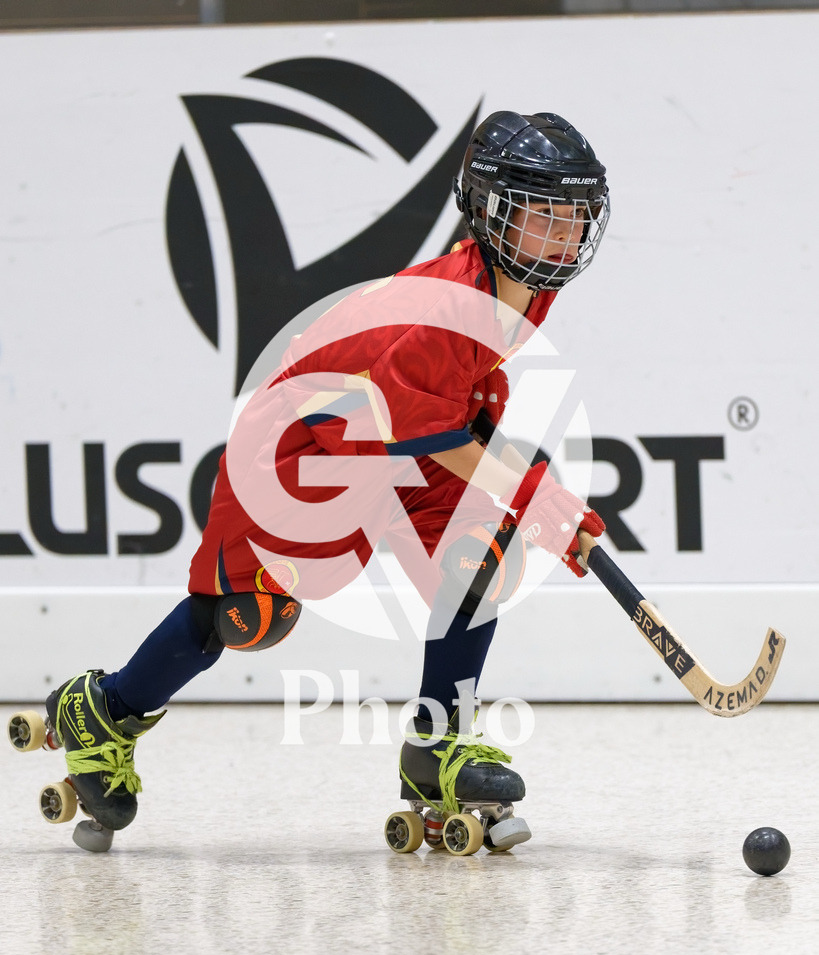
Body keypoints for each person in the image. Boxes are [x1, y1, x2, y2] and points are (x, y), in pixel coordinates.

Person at [37, 110, 611, 852]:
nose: (563, 236)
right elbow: (424, 425)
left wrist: (529, 498)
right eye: (544, 216)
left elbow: (436, 415)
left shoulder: (528, 284)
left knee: (478, 554)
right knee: (245, 616)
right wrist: (537, 494)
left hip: (395, 431)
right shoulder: (447, 306)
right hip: (299, 439)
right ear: (490, 213)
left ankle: (436, 749)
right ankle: (105, 709)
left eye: (575, 217)